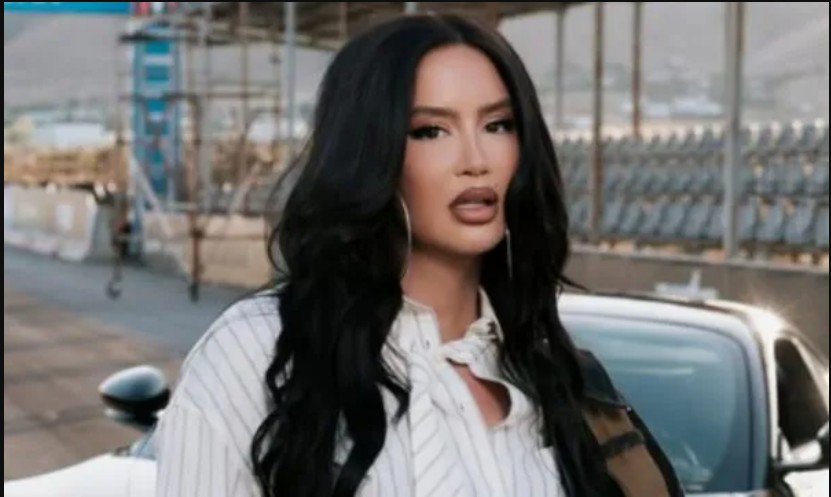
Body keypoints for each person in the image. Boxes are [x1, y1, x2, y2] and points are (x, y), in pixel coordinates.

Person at [155, 13, 684, 497]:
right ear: (370, 153)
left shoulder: (559, 379)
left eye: (498, 125)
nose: (475, 160)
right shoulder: (255, 351)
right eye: (431, 131)